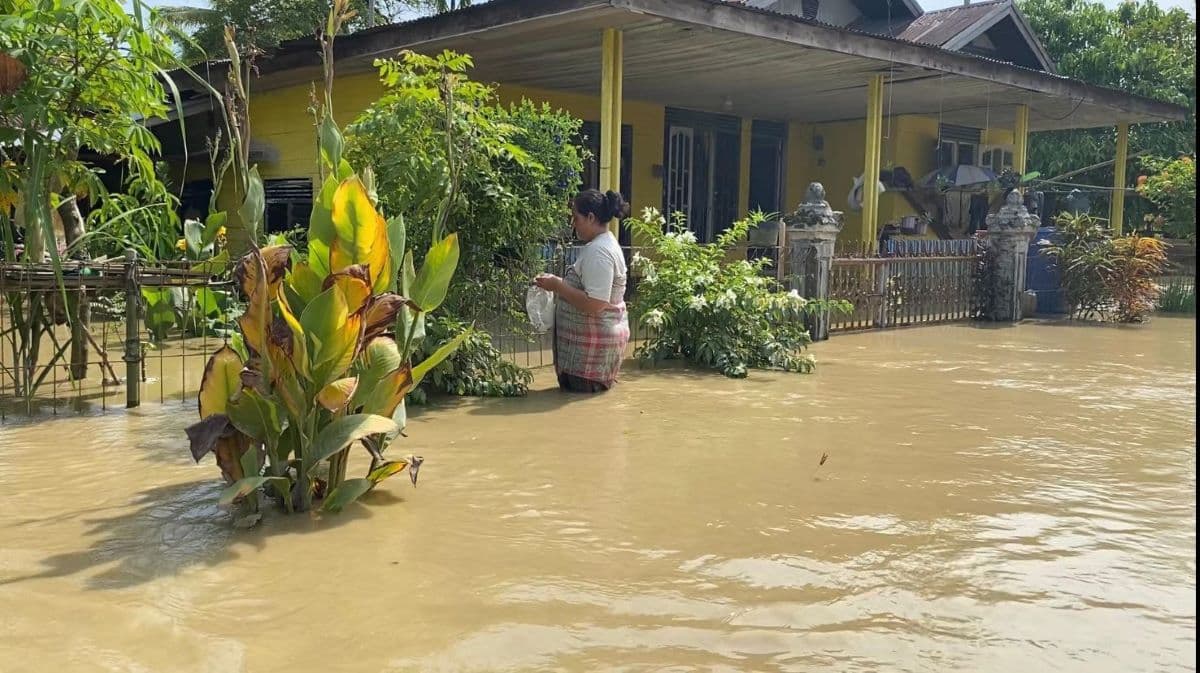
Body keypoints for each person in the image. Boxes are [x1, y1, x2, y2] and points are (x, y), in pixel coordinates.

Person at [534, 189, 631, 393]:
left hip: (588, 360)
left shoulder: (599, 251)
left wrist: (558, 285)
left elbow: (596, 304)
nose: (573, 224)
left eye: (576, 218)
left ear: (590, 217)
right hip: (589, 356)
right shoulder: (603, 245)